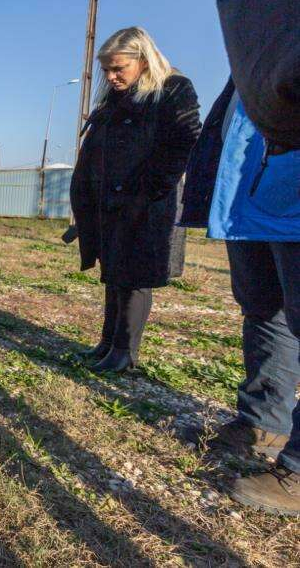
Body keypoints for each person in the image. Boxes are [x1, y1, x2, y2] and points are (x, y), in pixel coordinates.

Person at [167, 0, 300, 516]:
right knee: (263, 308)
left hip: (289, 180)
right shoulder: (265, 15)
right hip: (255, 194)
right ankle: (262, 420)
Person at [69, 27, 202, 374]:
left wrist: (147, 192)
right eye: (106, 70)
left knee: (134, 276)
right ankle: (107, 343)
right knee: (114, 273)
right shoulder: (116, 97)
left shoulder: (173, 89)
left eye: (119, 69)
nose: (111, 77)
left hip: (147, 203)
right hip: (110, 202)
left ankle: (124, 352)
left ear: (143, 60)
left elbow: (184, 142)